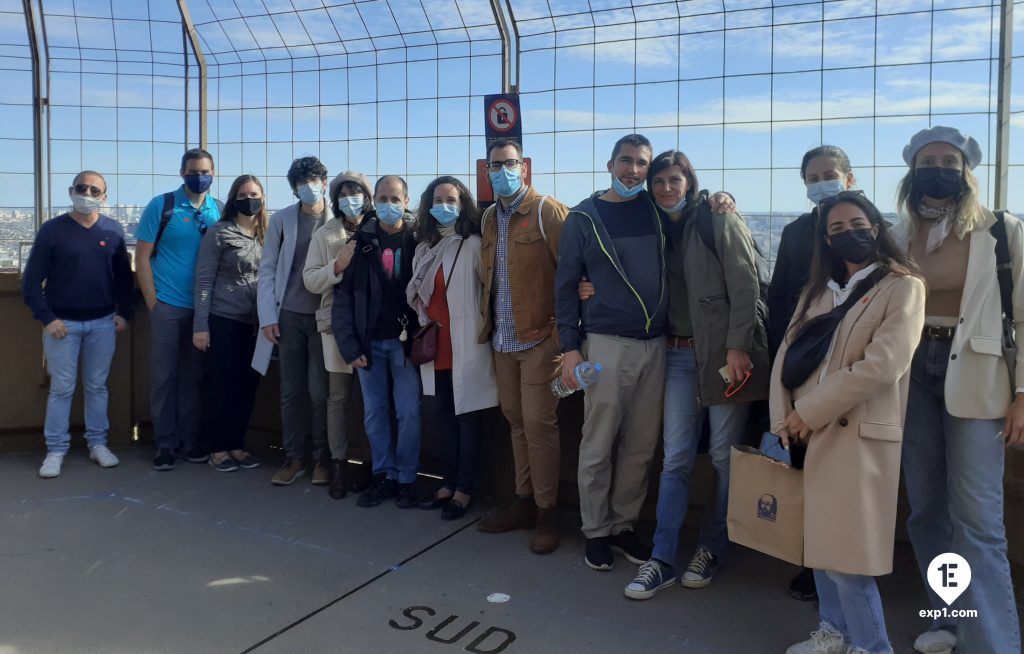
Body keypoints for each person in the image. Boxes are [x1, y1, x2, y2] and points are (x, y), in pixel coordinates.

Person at [772, 191, 924, 654]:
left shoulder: (903, 286)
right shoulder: (817, 291)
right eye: (835, 229)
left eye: (856, 224)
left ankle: (872, 646)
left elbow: (882, 365)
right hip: (802, 431)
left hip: (851, 432)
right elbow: (787, 352)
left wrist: (809, 412)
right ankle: (833, 632)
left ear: (876, 227)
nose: (847, 235)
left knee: (846, 558)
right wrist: (784, 418)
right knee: (816, 541)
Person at [895, 126, 1023, 654]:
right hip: (912, 374)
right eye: (929, 160)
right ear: (912, 170)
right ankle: (948, 620)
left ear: (966, 171)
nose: (940, 167)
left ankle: (992, 643)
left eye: (950, 160)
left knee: (977, 519)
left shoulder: (1001, 231)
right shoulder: (900, 234)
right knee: (926, 510)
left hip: (977, 373)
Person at [619, 149, 768, 598]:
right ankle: (662, 557)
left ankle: (711, 548)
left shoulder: (716, 219)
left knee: (724, 457)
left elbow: (747, 284)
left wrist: (739, 346)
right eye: (658, 181)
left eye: (674, 180)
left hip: (725, 356)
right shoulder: (654, 227)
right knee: (676, 458)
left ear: (690, 183)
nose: (665, 188)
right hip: (679, 356)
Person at [554, 133, 667, 570]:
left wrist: (724, 199)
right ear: (609, 164)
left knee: (641, 446)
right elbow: (566, 284)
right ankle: (595, 530)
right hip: (605, 343)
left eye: (642, 163)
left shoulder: (658, 211)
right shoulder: (584, 217)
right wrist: (569, 348)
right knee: (597, 443)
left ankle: (624, 525)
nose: (634, 171)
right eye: (626, 161)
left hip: (655, 344)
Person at [767, 145, 856, 602]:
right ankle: (811, 565)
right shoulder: (796, 231)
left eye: (830, 174)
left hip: (851, 368)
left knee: (844, 470)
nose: (821, 182)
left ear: (849, 178)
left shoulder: (866, 226)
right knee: (803, 466)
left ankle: (848, 565)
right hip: (804, 365)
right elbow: (780, 294)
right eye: (813, 176)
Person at [475, 137, 568, 553]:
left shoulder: (547, 211)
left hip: (540, 340)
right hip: (503, 339)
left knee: (539, 426)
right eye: (495, 165)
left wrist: (560, 337)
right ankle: (524, 500)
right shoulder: (490, 218)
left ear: (524, 167)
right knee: (515, 423)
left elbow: (574, 270)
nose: (502, 171)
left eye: (509, 163)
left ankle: (548, 512)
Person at [22, 171, 133, 478]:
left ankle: (98, 444)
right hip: (62, 324)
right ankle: (56, 450)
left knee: (97, 387)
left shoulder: (114, 230)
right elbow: (31, 281)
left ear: (104, 197)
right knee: (61, 389)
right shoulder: (52, 230)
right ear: (71, 190)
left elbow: (124, 278)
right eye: (81, 188)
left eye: (94, 190)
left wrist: (124, 313)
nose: (87, 193)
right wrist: (48, 318)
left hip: (102, 323)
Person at [408, 176, 499, 520]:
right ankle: (447, 482)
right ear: (428, 205)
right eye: (438, 199)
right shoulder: (423, 247)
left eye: (452, 199)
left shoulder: (473, 244)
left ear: (463, 204)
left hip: (467, 345)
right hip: (435, 345)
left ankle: (464, 489)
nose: (444, 205)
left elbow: (490, 292)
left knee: (468, 421)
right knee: (443, 418)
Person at [332, 175, 422, 509]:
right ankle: (384, 475)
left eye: (394, 198)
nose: (388, 204)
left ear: (406, 200)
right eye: (382, 198)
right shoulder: (361, 242)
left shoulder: (418, 239)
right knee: (375, 413)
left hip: (406, 345)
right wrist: (349, 346)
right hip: (370, 343)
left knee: (410, 413)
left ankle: (408, 478)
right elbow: (342, 297)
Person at [136, 148, 221, 471]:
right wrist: (152, 302)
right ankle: (165, 444)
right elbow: (142, 256)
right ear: (182, 173)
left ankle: (189, 440)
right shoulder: (163, 206)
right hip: (168, 305)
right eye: (193, 171)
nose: (199, 177)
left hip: (203, 310)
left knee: (192, 377)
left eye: (205, 171)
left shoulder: (218, 210)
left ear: (214, 173)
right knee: (163, 377)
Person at [254, 156, 332, 487]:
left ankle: (321, 459)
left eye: (314, 180)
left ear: (325, 183)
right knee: (290, 391)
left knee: (319, 392)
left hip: (323, 317)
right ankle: (293, 456)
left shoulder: (337, 218)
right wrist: (268, 317)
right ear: (294, 189)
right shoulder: (283, 220)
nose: (309, 188)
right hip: (288, 315)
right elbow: (268, 268)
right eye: (302, 184)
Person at [303, 170, 374, 499]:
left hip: (373, 324)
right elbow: (311, 280)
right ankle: (338, 463)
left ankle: (370, 462)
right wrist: (336, 267)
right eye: (344, 194)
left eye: (356, 192)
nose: (350, 199)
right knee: (338, 397)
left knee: (371, 399)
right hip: (334, 323)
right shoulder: (325, 234)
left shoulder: (378, 229)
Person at [192, 174, 266, 472]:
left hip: (257, 324)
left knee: (248, 385)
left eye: (255, 194)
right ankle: (217, 447)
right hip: (224, 319)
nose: (250, 199)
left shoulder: (268, 233)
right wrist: (200, 324)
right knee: (221, 385)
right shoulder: (219, 233)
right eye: (244, 194)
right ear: (234, 198)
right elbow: (204, 278)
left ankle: (237, 444)